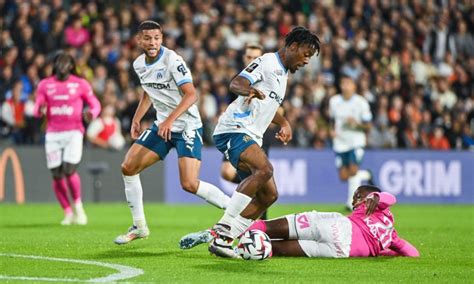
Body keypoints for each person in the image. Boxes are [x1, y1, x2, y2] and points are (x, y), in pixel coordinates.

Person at [179, 27, 321, 258]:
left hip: (250, 134)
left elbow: (269, 107)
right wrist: (249, 89)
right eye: (306, 54)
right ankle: (222, 232)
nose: (306, 61)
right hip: (233, 129)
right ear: (293, 47)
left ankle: (223, 239)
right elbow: (236, 83)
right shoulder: (266, 62)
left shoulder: (283, 75)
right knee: (264, 169)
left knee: (269, 195)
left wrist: (284, 122)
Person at [114, 21, 230, 245]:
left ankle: (236, 210)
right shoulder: (139, 64)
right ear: (139, 40)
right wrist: (137, 117)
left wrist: (169, 120)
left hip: (186, 126)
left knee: (189, 183)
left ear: (162, 39)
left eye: (157, 38)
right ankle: (139, 227)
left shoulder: (173, 60)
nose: (152, 42)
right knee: (128, 168)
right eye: (147, 38)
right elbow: (148, 92)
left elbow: (191, 95)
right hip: (162, 126)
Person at [245, 185, 419, 258]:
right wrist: (385, 253)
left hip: (338, 226)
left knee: (268, 227)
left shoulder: (376, 205)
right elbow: (412, 253)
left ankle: (226, 234)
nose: (353, 202)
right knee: (275, 249)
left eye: (357, 196)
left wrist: (377, 196)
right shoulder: (390, 234)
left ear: (368, 197)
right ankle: (240, 250)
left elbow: (389, 198)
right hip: (340, 251)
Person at [33, 52, 101, 225]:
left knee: (69, 170)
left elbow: (95, 104)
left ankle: (78, 208)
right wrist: (39, 110)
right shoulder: (45, 84)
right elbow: (37, 106)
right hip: (53, 134)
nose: (63, 65)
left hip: (74, 132)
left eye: (66, 62)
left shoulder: (80, 84)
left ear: (72, 66)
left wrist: (91, 113)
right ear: (55, 65)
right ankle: (67, 212)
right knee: (56, 174)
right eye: (59, 62)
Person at [328, 74, 373, 210]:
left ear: (354, 86)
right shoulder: (334, 101)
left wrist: (357, 123)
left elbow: (368, 126)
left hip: (355, 141)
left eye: (348, 83)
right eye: (343, 83)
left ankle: (350, 203)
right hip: (340, 142)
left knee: (353, 171)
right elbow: (331, 120)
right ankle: (367, 175)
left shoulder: (361, 102)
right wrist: (331, 130)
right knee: (343, 176)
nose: (345, 86)